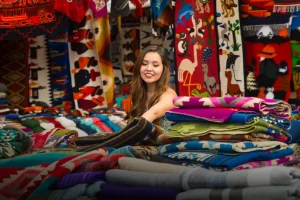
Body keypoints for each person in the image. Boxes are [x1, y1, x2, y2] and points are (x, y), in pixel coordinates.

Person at [129, 45, 177, 126]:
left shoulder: (169, 96)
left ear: (163, 69)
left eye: (155, 65)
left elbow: (153, 113)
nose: (148, 68)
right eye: (144, 64)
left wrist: (126, 134)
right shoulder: (138, 94)